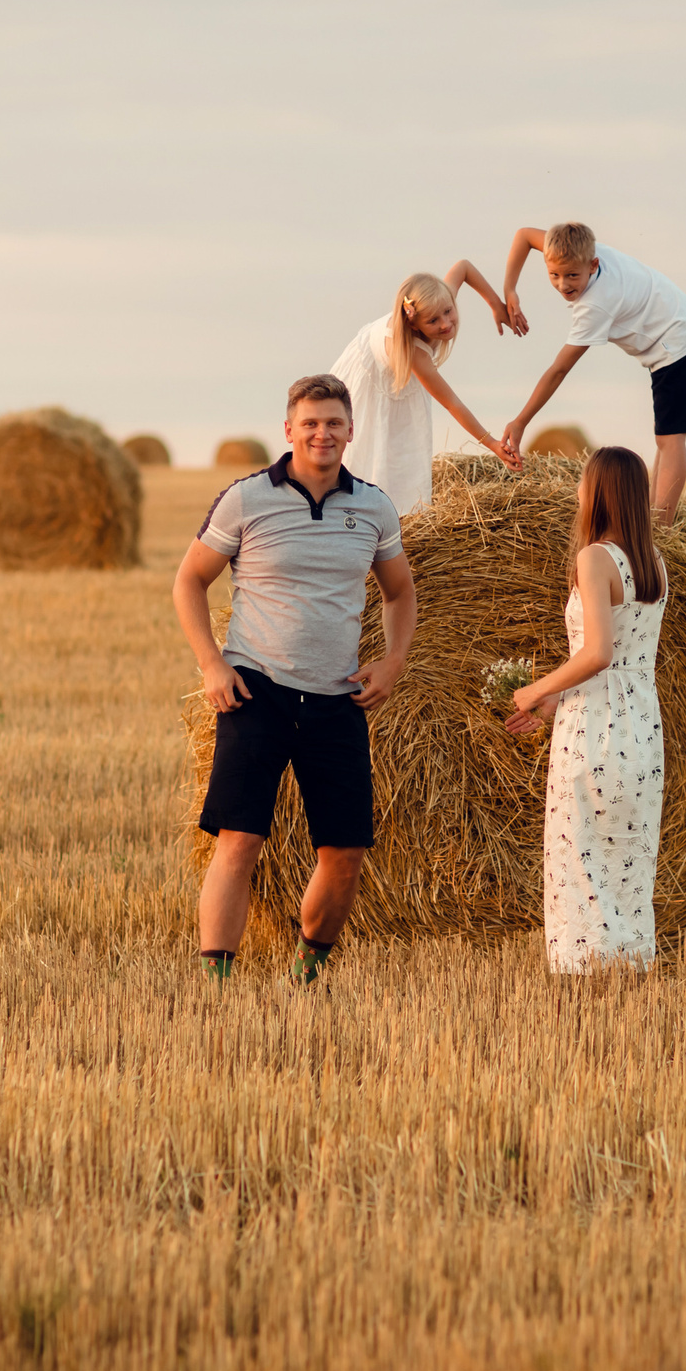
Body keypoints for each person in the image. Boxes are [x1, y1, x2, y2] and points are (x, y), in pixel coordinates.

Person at [171, 373, 415, 984]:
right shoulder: (247, 498)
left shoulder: (374, 507)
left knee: (346, 855)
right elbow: (189, 581)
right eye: (309, 422)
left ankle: (306, 974)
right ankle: (215, 984)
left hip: (337, 700)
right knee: (240, 840)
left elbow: (400, 593)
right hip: (257, 691)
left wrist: (391, 662)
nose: (322, 433)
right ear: (288, 430)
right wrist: (211, 664)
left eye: (333, 422)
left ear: (351, 431)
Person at [505, 446, 667, 972]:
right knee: (627, 855)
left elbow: (598, 652)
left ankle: (585, 976)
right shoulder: (654, 564)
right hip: (640, 720)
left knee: (581, 855)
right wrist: (557, 698)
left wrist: (533, 691)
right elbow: (621, 655)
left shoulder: (595, 557)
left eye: (583, 482)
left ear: (597, 492)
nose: (577, 491)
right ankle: (628, 968)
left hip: (596, 726)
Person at [498, 221, 686, 524]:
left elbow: (559, 370)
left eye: (572, 276)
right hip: (677, 326)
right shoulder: (573, 250)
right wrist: (510, 290)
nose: (563, 284)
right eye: (553, 275)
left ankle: (661, 531)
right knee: (664, 436)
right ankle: (651, 519)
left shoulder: (596, 304)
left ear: (593, 264)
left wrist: (520, 421)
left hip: (678, 344)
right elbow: (523, 236)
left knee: (671, 439)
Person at [328, 262, 522, 516]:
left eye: (448, 311)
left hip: (394, 367)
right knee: (373, 454)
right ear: (414, 324)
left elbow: (464, 268)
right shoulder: (416, 355)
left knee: (402, 454)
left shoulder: (439, 296)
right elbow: (452, 402)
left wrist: (496, 305)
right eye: (433, 321)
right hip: (368, 380)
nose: (445, 323)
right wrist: (493, 444)